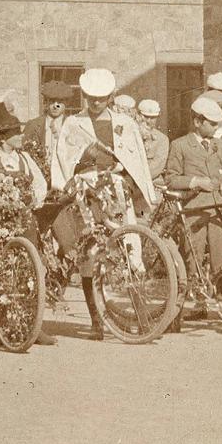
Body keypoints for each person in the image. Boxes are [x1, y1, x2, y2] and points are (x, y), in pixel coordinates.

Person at [52, 68, 159, 340]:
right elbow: (63, 161)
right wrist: (79, 167)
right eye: (91, 98)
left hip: (118, 192)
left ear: (110, 96)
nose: (96, 103)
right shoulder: (73, 124)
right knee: (91, 254)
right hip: (88, 193)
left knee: (130, 248)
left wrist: (131, 180)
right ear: (85, 97)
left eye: (102, 98)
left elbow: (137, 162)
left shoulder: (126, 124)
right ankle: (96, 321)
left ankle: (142, 316)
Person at [162, 96, 222, 333]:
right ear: (197, 121)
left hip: (220, 211)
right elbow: (171, 178)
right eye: (212, 124)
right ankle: (174, 317)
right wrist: (195, 181)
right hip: (193, 211)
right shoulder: (180, 145)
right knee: (188, 262)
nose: (216, 129)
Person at [23, 82, 72, 188]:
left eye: (60, 102)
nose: (55, 105)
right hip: (39, 180)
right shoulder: (33, 125)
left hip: (64, 179)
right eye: (52, 101)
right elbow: (24, 153)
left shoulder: (72, 125)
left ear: (66, 103)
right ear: (45, 102)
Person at [137, 99, 171, 183]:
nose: (148, 121)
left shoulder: (162, 139)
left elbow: (156, 167)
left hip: (151, 182)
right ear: (138, 115)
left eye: (152, 118)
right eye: (145, 117)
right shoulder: (131, 134)